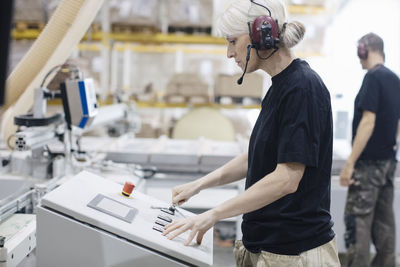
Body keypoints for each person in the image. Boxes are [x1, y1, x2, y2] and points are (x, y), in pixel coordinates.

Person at [162, 0, 340, 265]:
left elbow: (286, 179)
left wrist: (215, 213)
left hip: (293, 253)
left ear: (261, 35)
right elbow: (256, 156)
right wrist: (199, 184)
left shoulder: (303, 88)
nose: (229, 53)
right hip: (268, 246)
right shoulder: (280, 87)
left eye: (233, 41)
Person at [340, 32, 400, 267]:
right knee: (386, 226)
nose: (359, 57)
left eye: (360, 51)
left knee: (359, 226)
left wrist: (350, 163)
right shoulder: (395, 80)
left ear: (367, 50)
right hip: (387, 164)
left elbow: (368, 121)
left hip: (366, 167)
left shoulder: (373, 78)